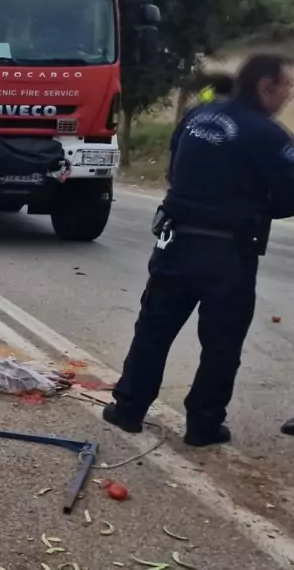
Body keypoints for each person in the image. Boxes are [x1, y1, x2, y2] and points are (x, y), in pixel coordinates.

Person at [103, 53, 294, 447]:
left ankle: (128, 408)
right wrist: (257, 207)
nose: (289, 95)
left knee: (154, 328)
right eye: (286, 86)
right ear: (265, 86)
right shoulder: (270, 135)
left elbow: (174, 171)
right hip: (229, 251)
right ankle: (203, 425)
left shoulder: (197, 116)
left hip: (176, 240)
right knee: (222, 342)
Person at [166, 74, 235, 187]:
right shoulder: (238, 118)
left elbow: (175, 141)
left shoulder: (194, 112)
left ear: (213, 90)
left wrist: (171, 172)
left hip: (184, 178)